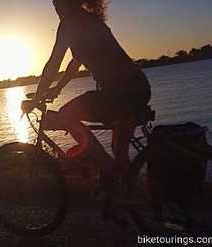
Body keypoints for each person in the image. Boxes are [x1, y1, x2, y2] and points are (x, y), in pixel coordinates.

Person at [22, 0, 151, 196]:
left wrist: (36, 98)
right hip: (138, 88)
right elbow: (75, 63)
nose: (56, 8)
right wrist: (57, 89)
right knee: (120, 153)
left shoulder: (69, 24)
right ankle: (132, 200)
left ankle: (106, 169)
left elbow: (54, 63)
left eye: (58, 4)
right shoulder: (89, 20)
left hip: (119, 94)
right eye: (54, 5)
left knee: (67, 115)